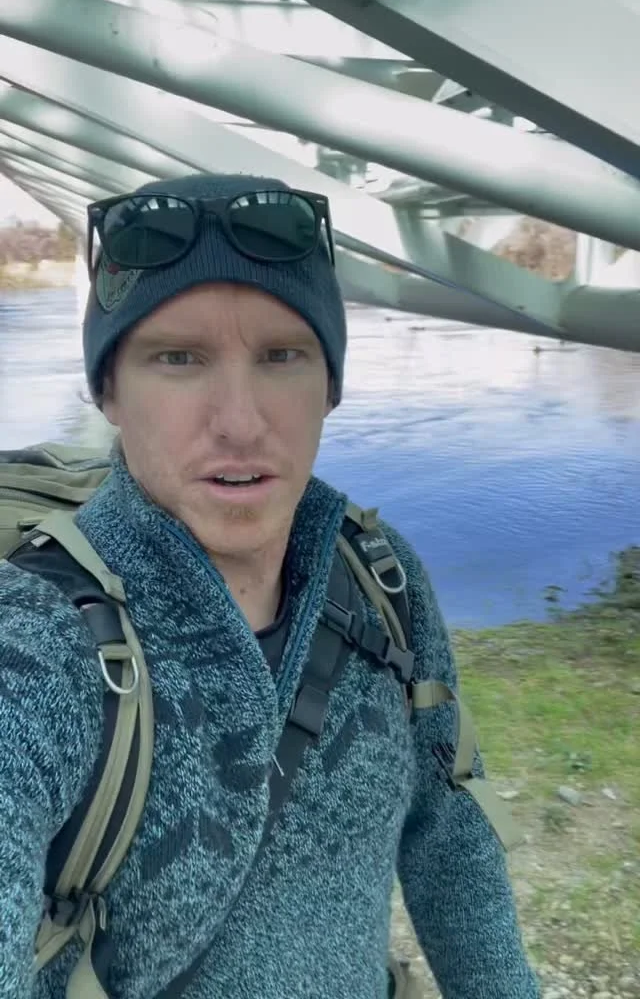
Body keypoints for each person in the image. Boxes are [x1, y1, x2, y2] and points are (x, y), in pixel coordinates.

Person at [0, 172, 541, 998]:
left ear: (331, 384)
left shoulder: (380, 576)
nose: (240, 422)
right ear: (107, 389)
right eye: (178, 359)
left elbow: (450, 836)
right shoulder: (36, 645)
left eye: (282, 356)